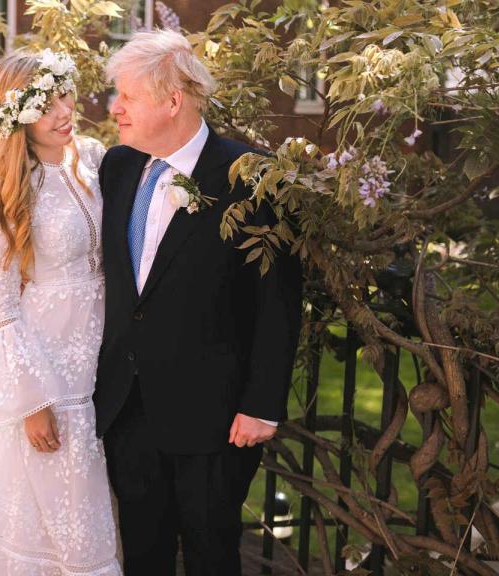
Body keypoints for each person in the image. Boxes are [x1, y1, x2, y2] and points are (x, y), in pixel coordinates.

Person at [94, 30, 303, 576]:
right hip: (127, 405)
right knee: (142, 550)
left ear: (172, 101)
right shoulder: (117, 168)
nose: (115, 109)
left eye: (127, 97)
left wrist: (262, 405)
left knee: (212, 551)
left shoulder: (253, 176)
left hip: (215, 416)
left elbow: (278, 300)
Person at [0, 49, 121, 576]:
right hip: (46, 371)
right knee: (57, 516)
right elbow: (3, 306)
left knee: (95, 505)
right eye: (44, 103)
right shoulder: (8, 188)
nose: (63, 110)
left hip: (104, 354)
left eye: (64, 93)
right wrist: (33, 400)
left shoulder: (95, 157)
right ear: (16, 116)